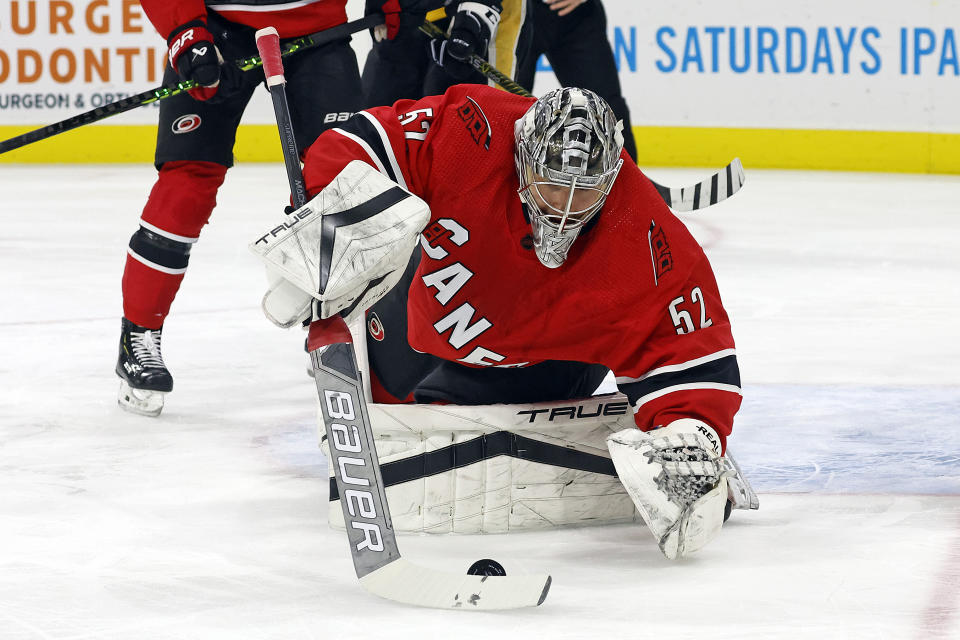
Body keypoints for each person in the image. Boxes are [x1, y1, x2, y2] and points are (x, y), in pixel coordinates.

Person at [252, 85, 744, 558]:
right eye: (553, 184)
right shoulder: (473, 132)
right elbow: (363, 140)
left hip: (548, 367)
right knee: (383, 407)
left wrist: (692, 430)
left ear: (612, 176)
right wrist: (327, 224)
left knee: (430, 446)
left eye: (584, 191)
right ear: (522, 156)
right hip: (427, 325)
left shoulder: (649, 238)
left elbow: (692, 353)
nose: (565, 205)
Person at [115, 0, 368, 416]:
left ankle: (336, 327)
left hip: (316, 29)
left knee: (343, 181)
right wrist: (186, 33)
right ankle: (138, 336)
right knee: (186, 183)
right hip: (216, 31)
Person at [515, 0, 637, 160]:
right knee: (506, 107)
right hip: (514, 15)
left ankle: (626, 182)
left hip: (577, 18)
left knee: (606, 110)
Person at [361, 0, 533, 108]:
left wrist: (476, 14)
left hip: (484, 11)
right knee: (379, 118)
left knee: (478, 127)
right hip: (410, 11)